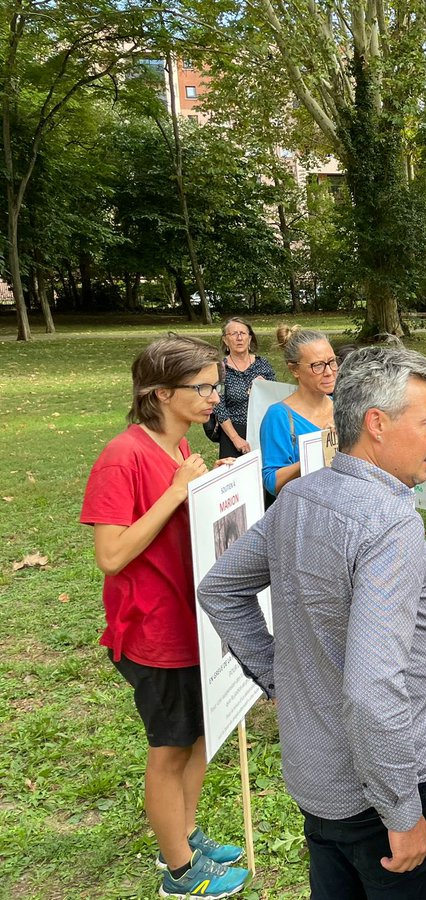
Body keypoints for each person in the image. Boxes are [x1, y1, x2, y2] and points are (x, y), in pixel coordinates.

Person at [196, 347, 426, 900]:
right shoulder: (390, 524)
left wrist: (280, 678)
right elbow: (371, 688)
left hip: (316, 781)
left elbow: (220, 588)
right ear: (377, 424)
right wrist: (402, 810)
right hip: (386, 794)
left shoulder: (300, 496)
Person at [81, 335, 249, 898]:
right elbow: (111, 555)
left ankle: (184, 835)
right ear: (161, 393)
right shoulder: (123, 455)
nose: (214, 398)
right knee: (170, 748)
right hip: (153, 630)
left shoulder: (178, 446)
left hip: (190, 621)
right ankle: (179, 871)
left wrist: (209, 487)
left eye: (215, 386)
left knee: (197, 739)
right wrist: (177, 493)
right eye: (203, 387)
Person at [260, 325, 338, 496]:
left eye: (332, 362)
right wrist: (317, 453)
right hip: (304, 508)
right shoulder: (279, 416)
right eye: (317, 365)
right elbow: (272, 482)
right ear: (294, 370)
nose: (329, 372)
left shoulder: (341, 408)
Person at [212, 317, 276, 459]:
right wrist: (235, 438)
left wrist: (264, 387)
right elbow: (219, 406)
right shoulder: (221, 369)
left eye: (243, 333)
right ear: (225, 340)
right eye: (233, 334)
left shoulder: (262, 364)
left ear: (250, 338)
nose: (239, 338)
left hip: (262, 429)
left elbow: (275, 398)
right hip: (233, 432)